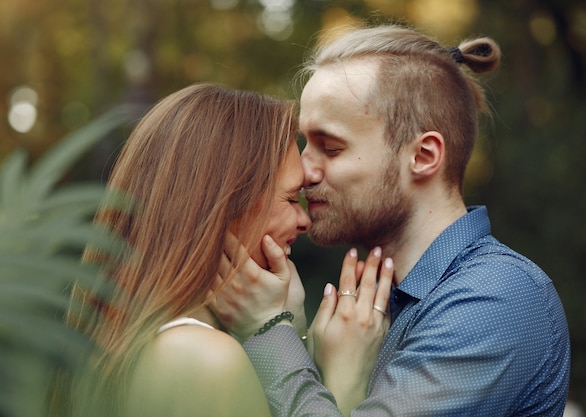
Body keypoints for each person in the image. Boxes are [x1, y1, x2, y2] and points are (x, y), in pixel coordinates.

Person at [212, 24, 571, 416]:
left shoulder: (496, 299)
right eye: (305, 144)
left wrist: (267, 330)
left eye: (330, 147)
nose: (304, 171)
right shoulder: (369, 310)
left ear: (423, 156)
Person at [63, 83, 323, 417]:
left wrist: (289, 326)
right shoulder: (208, 361)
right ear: (225, 206)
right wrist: (347, 382)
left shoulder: (115, 339)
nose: (305, 220)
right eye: (290, 198)